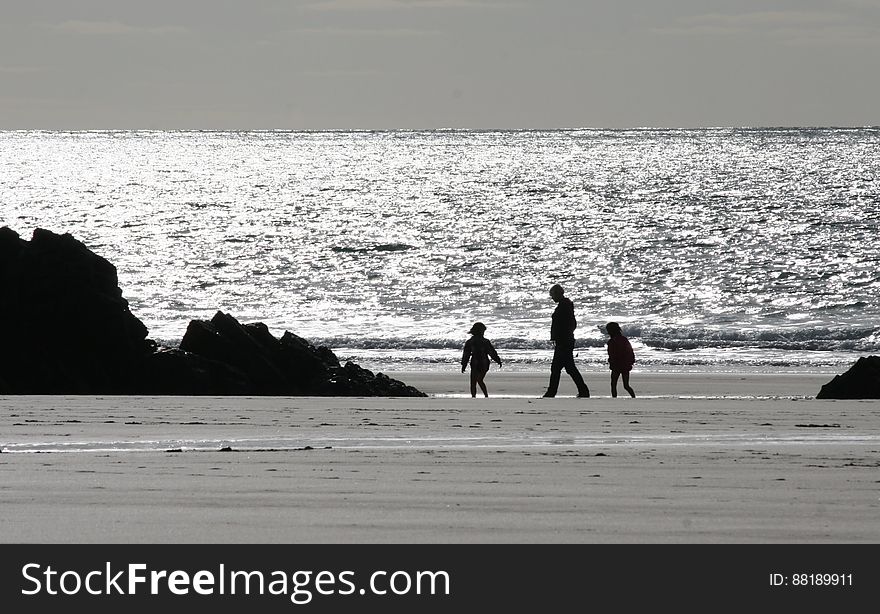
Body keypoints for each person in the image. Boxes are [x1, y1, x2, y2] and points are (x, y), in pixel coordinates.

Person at [542, 284, 590, 398]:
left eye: (552, 295)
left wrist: (561, 336)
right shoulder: (565, 305)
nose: (552, 297)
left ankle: (552, 392)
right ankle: (583, 390)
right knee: (568, 368)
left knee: (557, 368)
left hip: (564, 341)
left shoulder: (564, 306)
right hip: (565, 340)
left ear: (558, 294)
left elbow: (570, 324)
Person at [461, 322, 503, 398]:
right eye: (483, 331)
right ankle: (485, 396)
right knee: (479, 380)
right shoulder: (485, 341)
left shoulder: (470, 342)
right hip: (484, 363)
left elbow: (466, 355)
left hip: (476, 363)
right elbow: (492, 352)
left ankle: (475, 396)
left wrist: (464, 364)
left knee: (474, 381)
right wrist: (498, 360)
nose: (483, 333)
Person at [606, 321, 636, 398]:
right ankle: (633, 397)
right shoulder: (623, 339)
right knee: (626, 385)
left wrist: (611, 362)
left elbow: (611, 354)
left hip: (616, 365)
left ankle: (614, 398)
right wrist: (631, 361)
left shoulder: (612, 341)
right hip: (625, 365)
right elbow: (630, 351)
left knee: (613, 384)